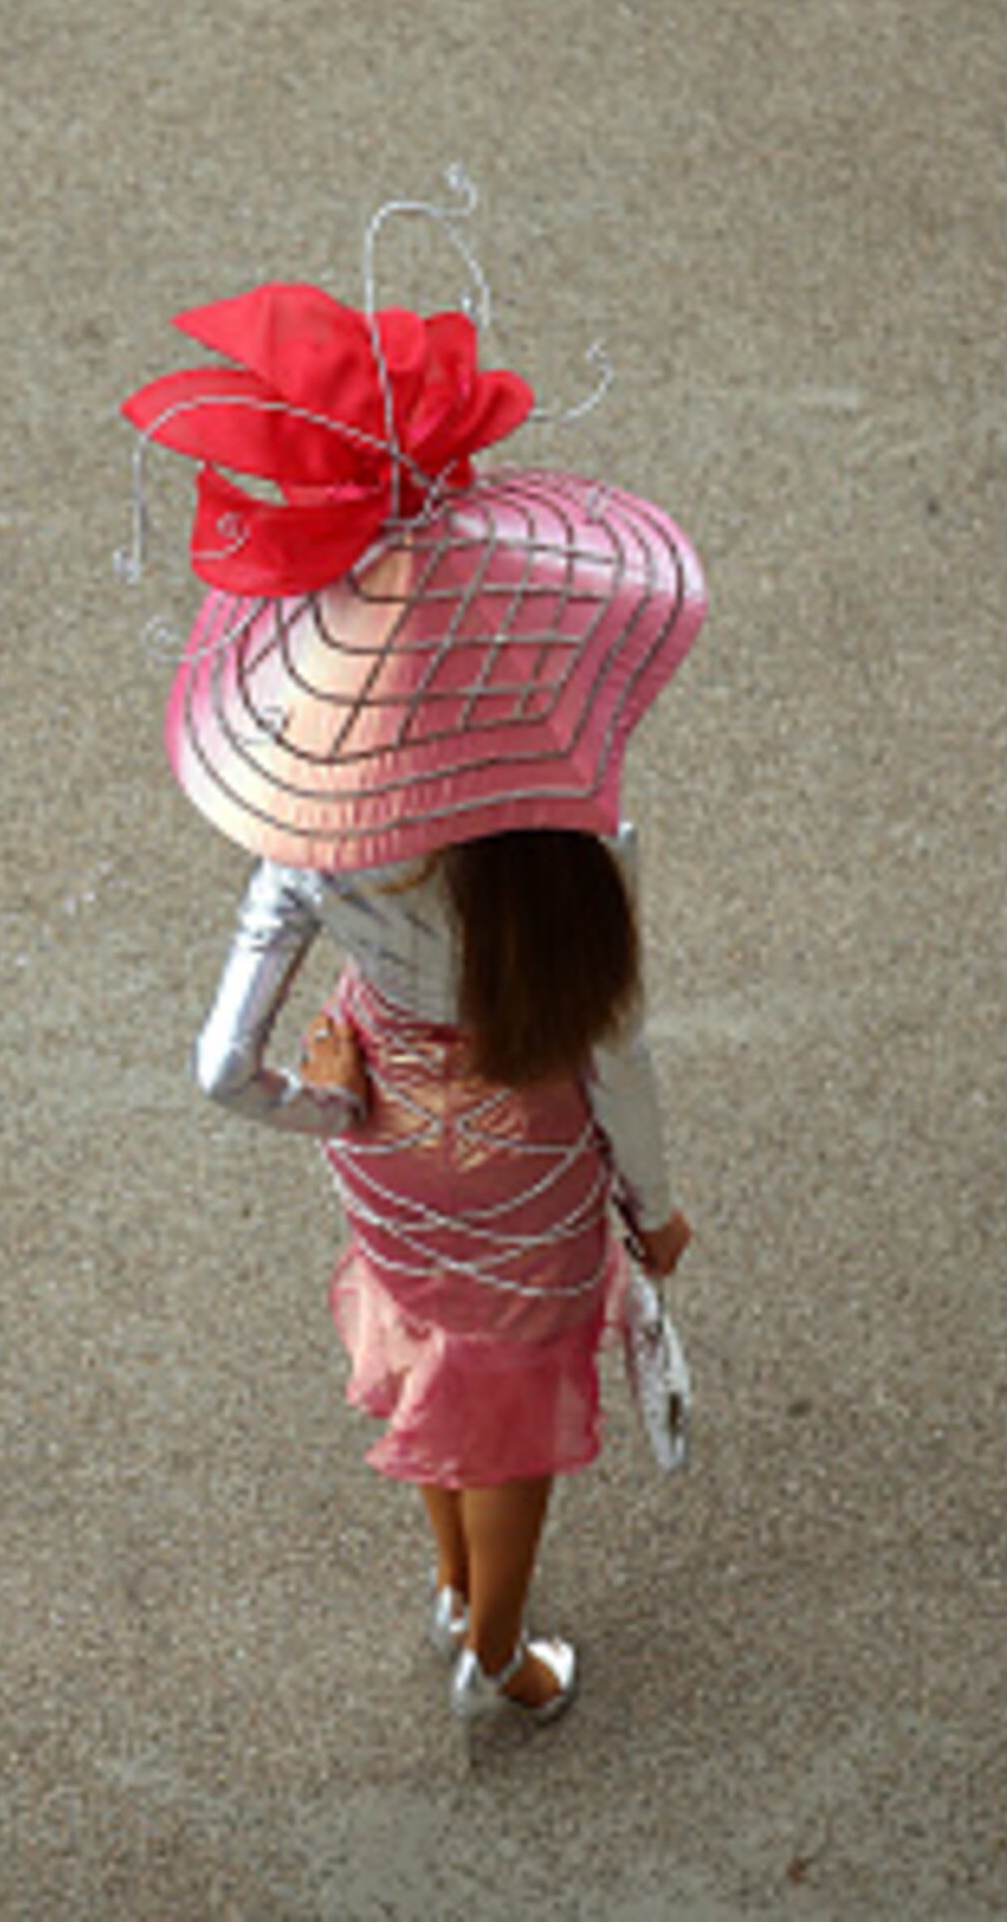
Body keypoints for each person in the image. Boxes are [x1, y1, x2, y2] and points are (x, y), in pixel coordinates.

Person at [124, 263, 708, 1732]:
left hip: (390, 1125)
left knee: (443, 1361)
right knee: (514, 1406)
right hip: (524, 1136)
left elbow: (217, 1068)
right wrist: (651, 1205)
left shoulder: (309, 843)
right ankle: (498, 1654)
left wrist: (336, 1101)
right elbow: (616, 1061)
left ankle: (456, 1594)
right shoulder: (578, 858)